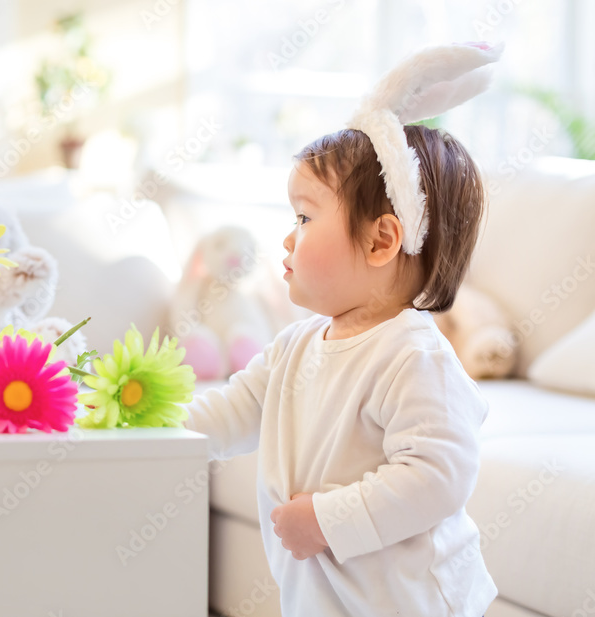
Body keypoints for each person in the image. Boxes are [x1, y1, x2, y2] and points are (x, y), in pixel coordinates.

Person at [183, 42, 504, 617]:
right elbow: (232, 411)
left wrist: (327, 521)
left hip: (414, 604)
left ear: (382, 240)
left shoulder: (412, 356)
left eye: (304, 218)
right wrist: (150, 424)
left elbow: (438, 475)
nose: (288, 238)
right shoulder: (295, 347)